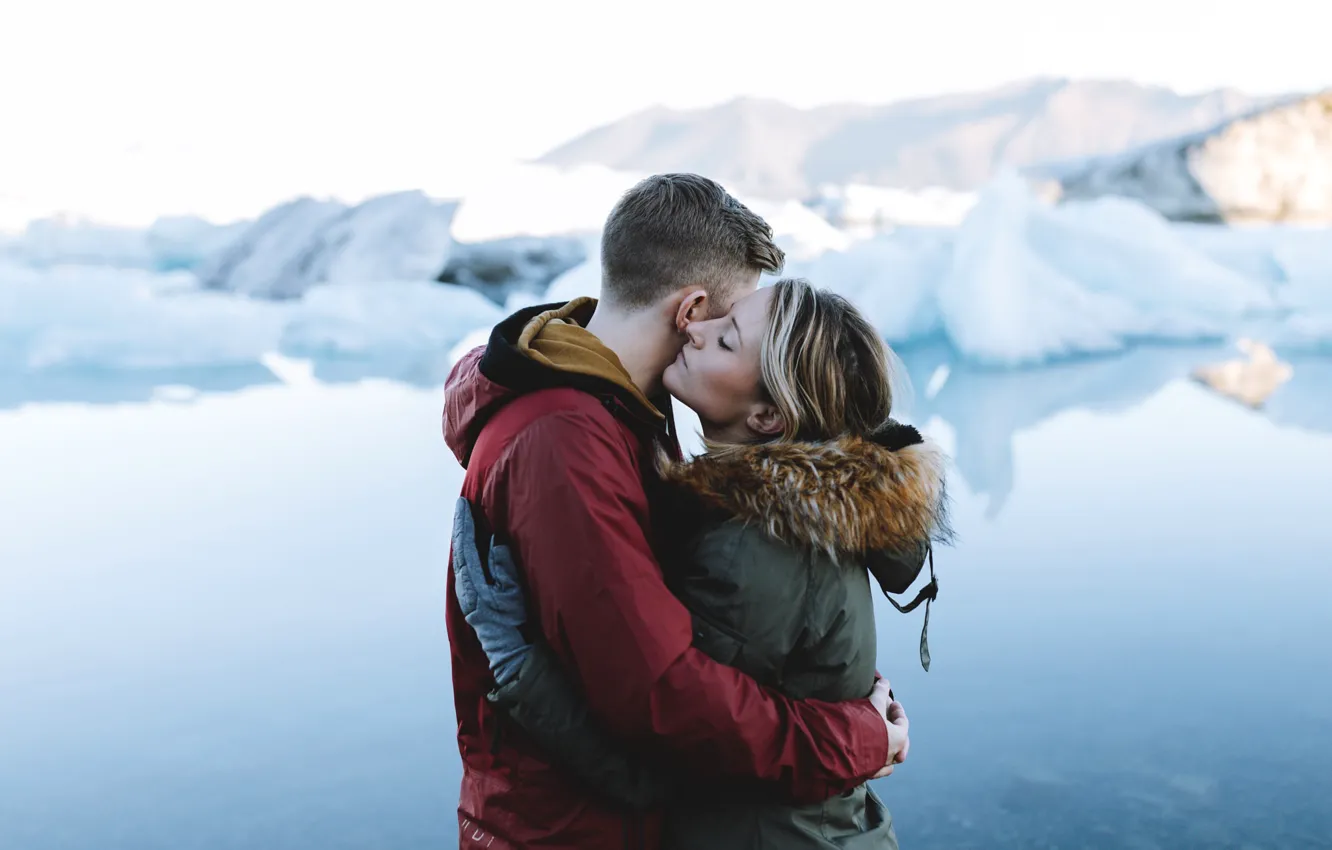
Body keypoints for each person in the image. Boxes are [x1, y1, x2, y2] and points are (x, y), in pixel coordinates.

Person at [442, 174, 909, 850]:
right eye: (728, 321)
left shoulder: (624, 404)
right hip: (576, 831)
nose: (714, 336)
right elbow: (663, 701)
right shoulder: (565, 438)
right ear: (690, 310)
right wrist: (858, 736)